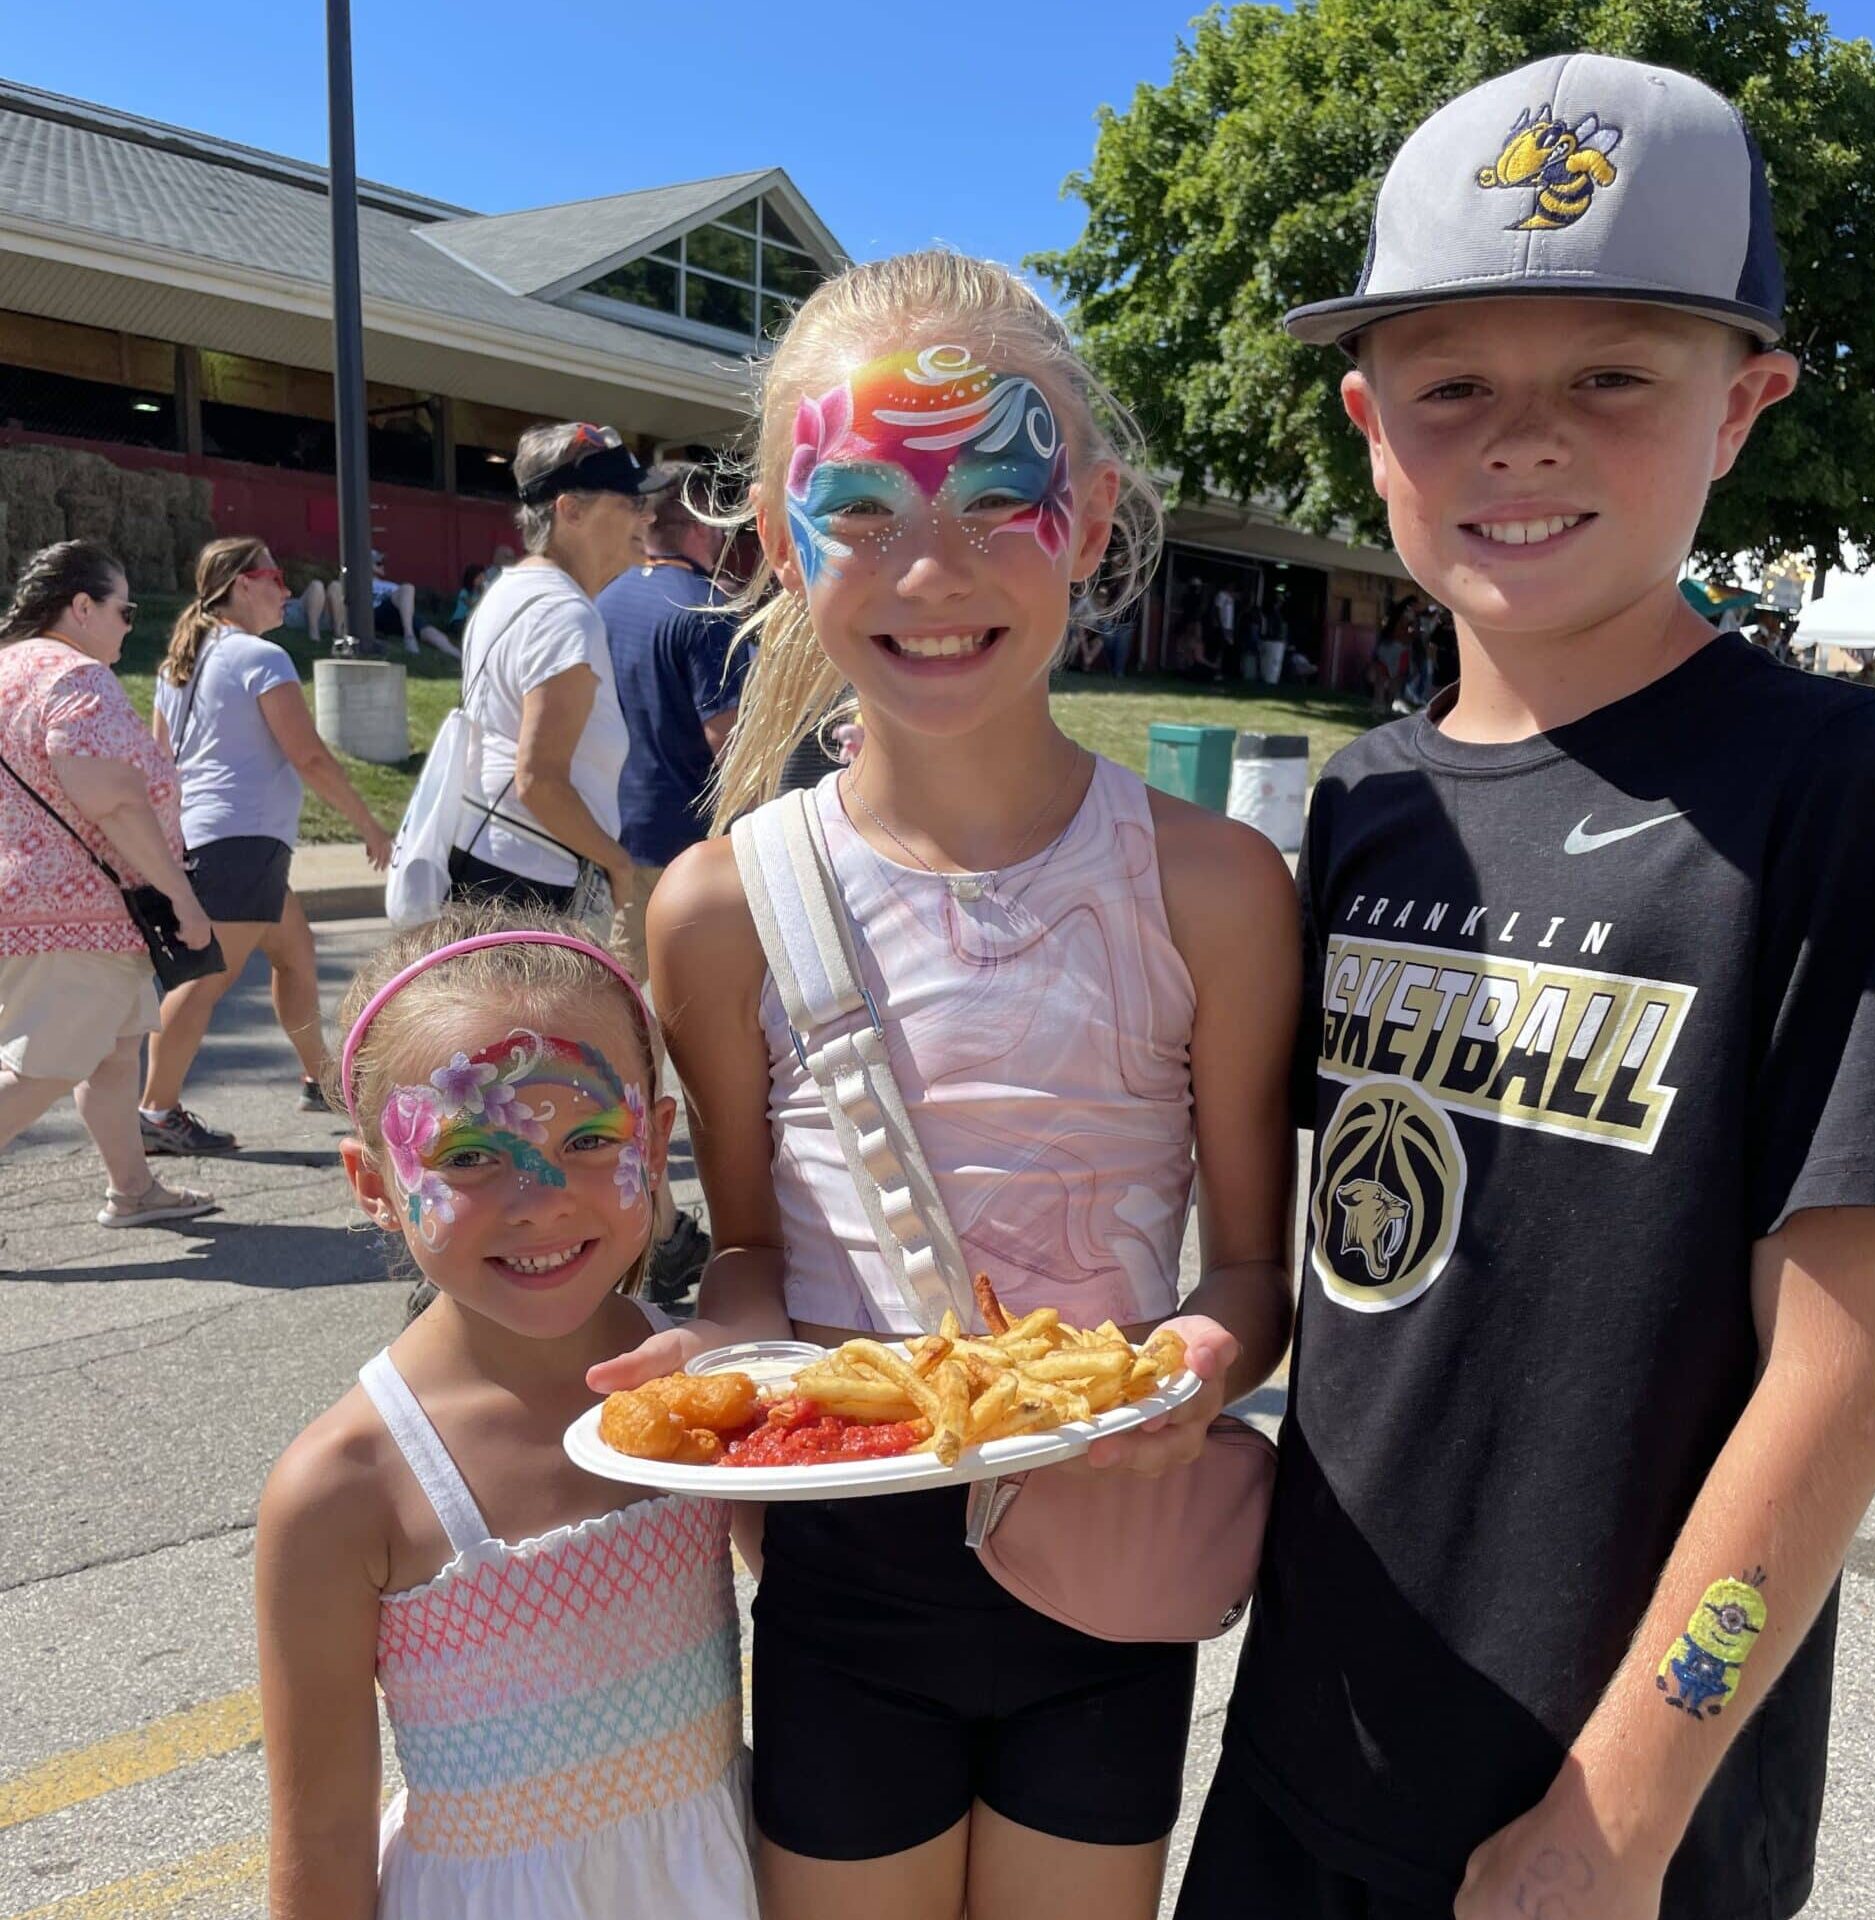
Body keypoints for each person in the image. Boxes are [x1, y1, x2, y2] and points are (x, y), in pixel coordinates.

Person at [1178, 53, 1875, 1920]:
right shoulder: (1363, 802)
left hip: (1617, 1825)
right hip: (1303, 1749)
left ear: (1743, 405)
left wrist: (1624, 1805)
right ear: (1367, 424)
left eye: (1610, 375)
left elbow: (1845, 1364)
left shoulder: (1834, 788)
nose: (1524, 441)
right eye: (1454, 388)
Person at [588, 252, 1299, 1920]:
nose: (934, 565)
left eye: (1001, 497)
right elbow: (751, 1249)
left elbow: (1255, 1278)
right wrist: (718, 1359)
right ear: (778, 535)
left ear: (1096, 509)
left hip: (1110, 1569)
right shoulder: (716, 909)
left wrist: (1197, 1358)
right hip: (847, 1586)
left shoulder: (1211, 886)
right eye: (860, 508)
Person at [254, 904, 754, 1920]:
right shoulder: (347, 1486)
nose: (540, 1199)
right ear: (374, 1185)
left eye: (587, 1138)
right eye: (469, 1155)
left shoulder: (699, 1388)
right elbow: (323, 1839)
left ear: (655, 1143)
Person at [138, 538, 393, 1154]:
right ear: (240, 586)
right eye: (276, 577)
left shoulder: (182, 662)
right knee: (203, 982)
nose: (285, 590)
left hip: (216, 838)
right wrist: (368, 823)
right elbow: (307, 755)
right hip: (243, 840)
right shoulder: (261, 657)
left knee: (295, 954)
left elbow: (159, 765)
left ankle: (322, 1080)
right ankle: (155, 1111)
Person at [0, 540, 216, 1227]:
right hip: (80, 909)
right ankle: (133, 1189)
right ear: (81, 606)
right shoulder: (75, 678)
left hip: (25, 898)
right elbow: (114, 798)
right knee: (46, 1065)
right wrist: (181, 897)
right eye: (125, 610)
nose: (130, 624)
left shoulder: (7, 670)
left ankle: (133, 1189)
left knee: (114, 1052)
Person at [447, 422, 662, 917]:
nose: (647, 516)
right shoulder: (564, 613)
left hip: (497, 867)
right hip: (533, 884)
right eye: (631, 501)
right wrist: (618, 865)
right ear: (572, 510)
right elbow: (538, 780)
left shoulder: (514, 590)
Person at [596, 461, 748, 989]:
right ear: (701, 527)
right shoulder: (709, 610)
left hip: (616, 835)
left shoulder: (604, 601)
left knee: (630, 992)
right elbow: (726, 734)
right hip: (693, 842)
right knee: (703, 998)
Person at [325, 550, 457, 658]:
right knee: (335, 586)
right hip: (368, 613)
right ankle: (339, 636)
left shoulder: (391, 586)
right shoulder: (353, 583)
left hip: (393, 614)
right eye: (378, 563)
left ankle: (454, 654)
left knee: (408, 588)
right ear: (366, 565)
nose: (383, 566)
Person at [445, 563, 486, 644]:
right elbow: (472, 605)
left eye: (483, 576)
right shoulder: (464, 592)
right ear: (471, 578)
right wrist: (484, 594)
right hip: (458, 621)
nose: (482, 580)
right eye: (479, 577)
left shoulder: (481, 592)